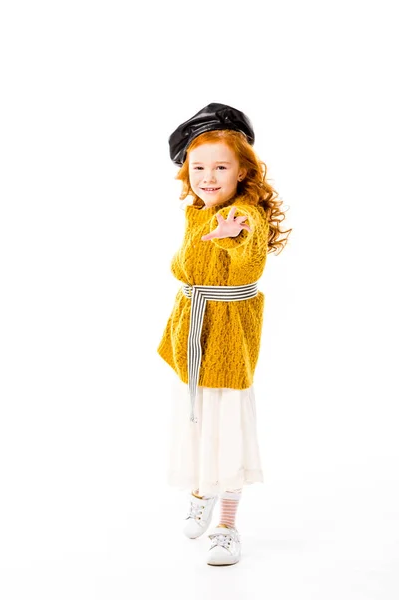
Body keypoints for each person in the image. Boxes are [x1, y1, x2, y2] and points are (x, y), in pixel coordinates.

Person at [157, 102, 291, 566]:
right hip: (194, 333)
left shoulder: (243, 216)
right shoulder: (197, 212)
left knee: (227, 425)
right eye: (198, 167)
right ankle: (200, 490)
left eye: (220, 166)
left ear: (242, 172)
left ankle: (228, 526)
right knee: (195, 417)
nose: (208, 176)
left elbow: (249, 261)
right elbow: (185, 266)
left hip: (228, 339)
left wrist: (232, 238)